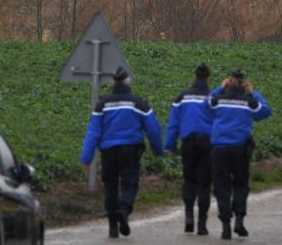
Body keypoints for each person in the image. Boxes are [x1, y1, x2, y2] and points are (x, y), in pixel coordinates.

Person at [80, 66, 164, 239]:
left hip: (108, 151)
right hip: (130, 150)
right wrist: (158, 150)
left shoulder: (102, 104)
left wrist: (86, 158)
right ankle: (124, 210)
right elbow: (153, 129)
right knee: (129, 183)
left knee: (110, 185)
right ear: (128, 82)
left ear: (113, 83)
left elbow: (93, 132)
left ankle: (112, 226)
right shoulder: (138, 103)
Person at [208, 69, 271, 240]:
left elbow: (205, 103)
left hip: (219, 148)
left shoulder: (218, 100)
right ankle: (240, 220)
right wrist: (253, 92)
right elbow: (265, 110)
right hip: (240, 149)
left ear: (229, 83)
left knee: (222, 187)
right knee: (240, 185)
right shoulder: (249, 101)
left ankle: (225, 226)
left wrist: (220, 88)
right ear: (244, 84)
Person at [165, 62, 214, 235]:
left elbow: (173, 123)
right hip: (208, 144)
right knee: (204, 183)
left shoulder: (182, 97)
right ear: (208, 78)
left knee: (189, 180)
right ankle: (202, 224)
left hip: (188, 143)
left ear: (195, 76)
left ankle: (188, 217)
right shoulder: (212, 98)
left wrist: (170, 145)